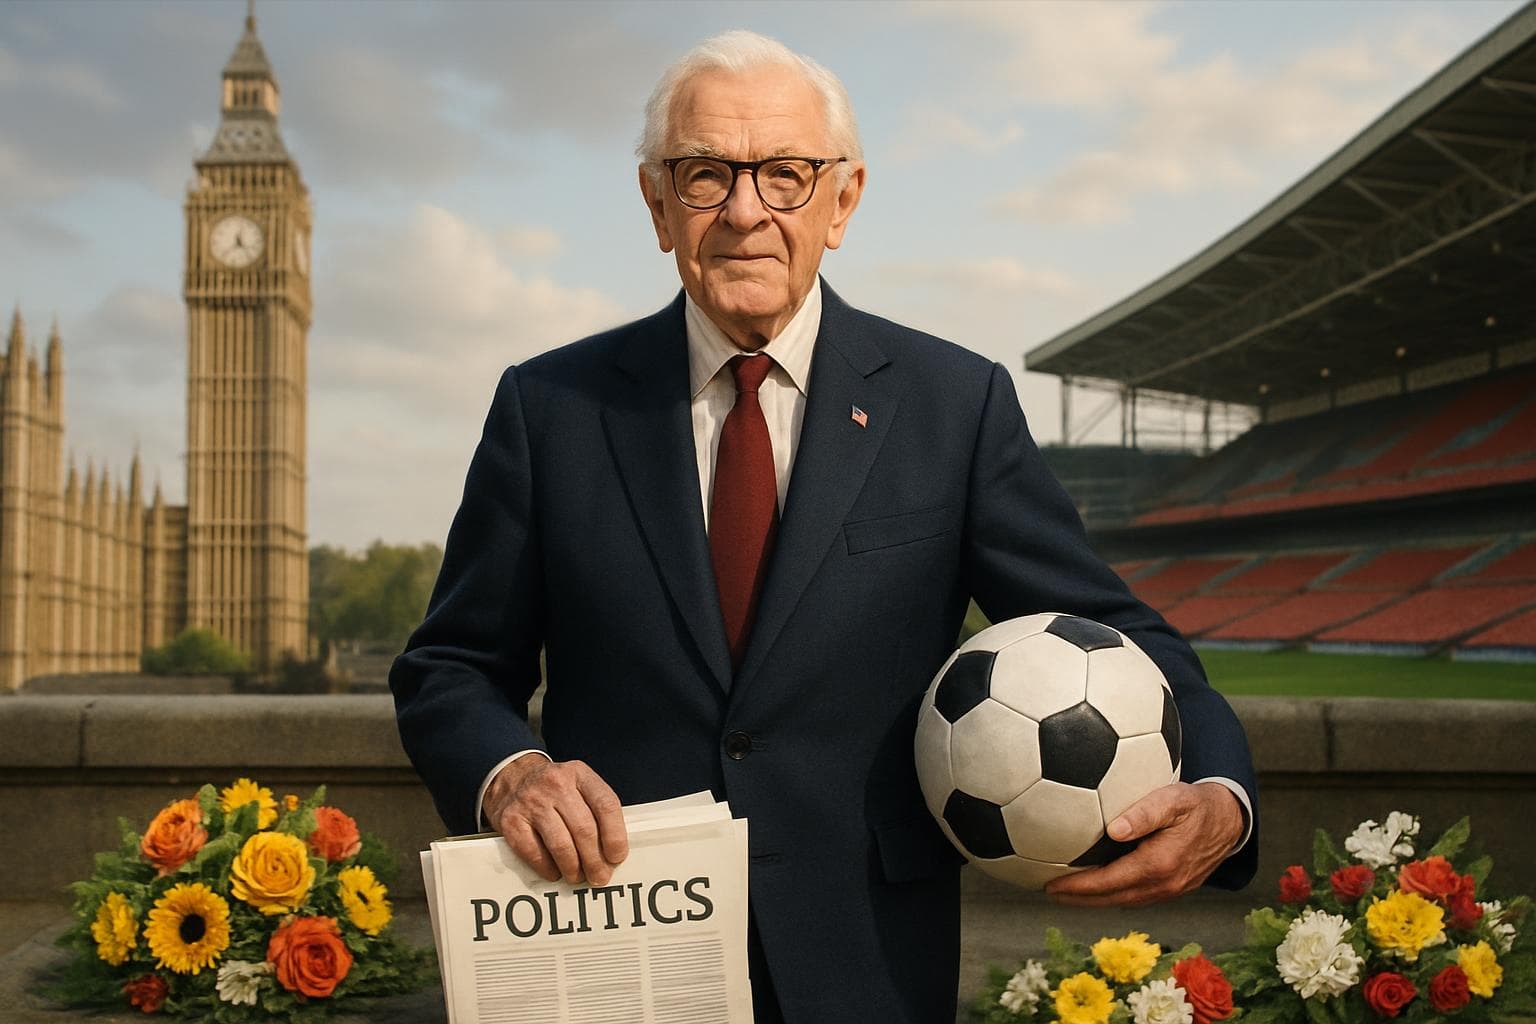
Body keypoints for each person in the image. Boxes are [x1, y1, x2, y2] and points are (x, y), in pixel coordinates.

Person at [390, 30, 1257, 1023]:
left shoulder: (953, 406)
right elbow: (450, 667)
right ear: (656, 202)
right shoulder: (549, 409)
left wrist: (1224, 791)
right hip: (613, 959)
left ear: (842, 201)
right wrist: (510, 773)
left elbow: (1114, 632)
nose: (746, 209)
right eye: (706, 173)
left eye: (786, 175)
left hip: (866, 968)